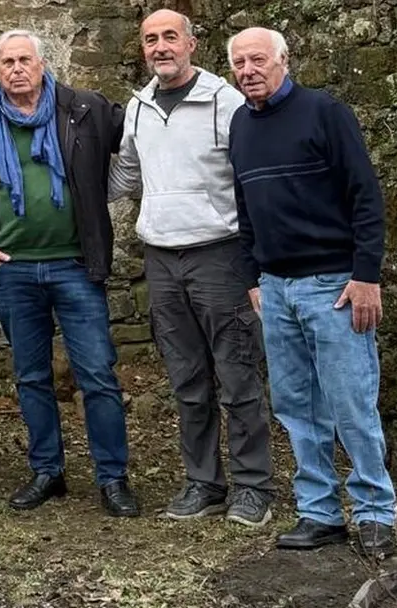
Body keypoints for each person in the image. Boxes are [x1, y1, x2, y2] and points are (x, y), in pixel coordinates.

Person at [0, 29, 138, 517]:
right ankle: (47, 470)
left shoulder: (84, 108)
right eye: (7, 62)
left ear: (42, 63)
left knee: (96, 373)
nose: (16, 69)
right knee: (31, 376)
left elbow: (141, 130)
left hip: (76, 264)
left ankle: (113, 477)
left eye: (24, 60)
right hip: (15, 270)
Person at [227, 27, 396, 553]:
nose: (248, 70)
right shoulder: (240, 124)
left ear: (284, 60)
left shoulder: (326, 113)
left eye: (258, 60)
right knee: (298, 406)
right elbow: (245, 206)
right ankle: (319, 512)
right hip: (275, 289)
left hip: (335, 287)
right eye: (238, 63)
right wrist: (253, 277)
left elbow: (365, 197)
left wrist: (366, 275)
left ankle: (374, 513)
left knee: (351, 403)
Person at [109, 10, 274, 526]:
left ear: (191, 44)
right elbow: (124, 177)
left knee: (237, 374)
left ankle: (252, 487)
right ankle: (203, 481)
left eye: (169, 37)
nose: (160, 47)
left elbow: (250, 180)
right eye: (150, 39)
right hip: (161, 258)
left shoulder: (226, 102)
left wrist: (257, 263)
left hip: (219, 256)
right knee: (186, 378)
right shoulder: (137, 107)